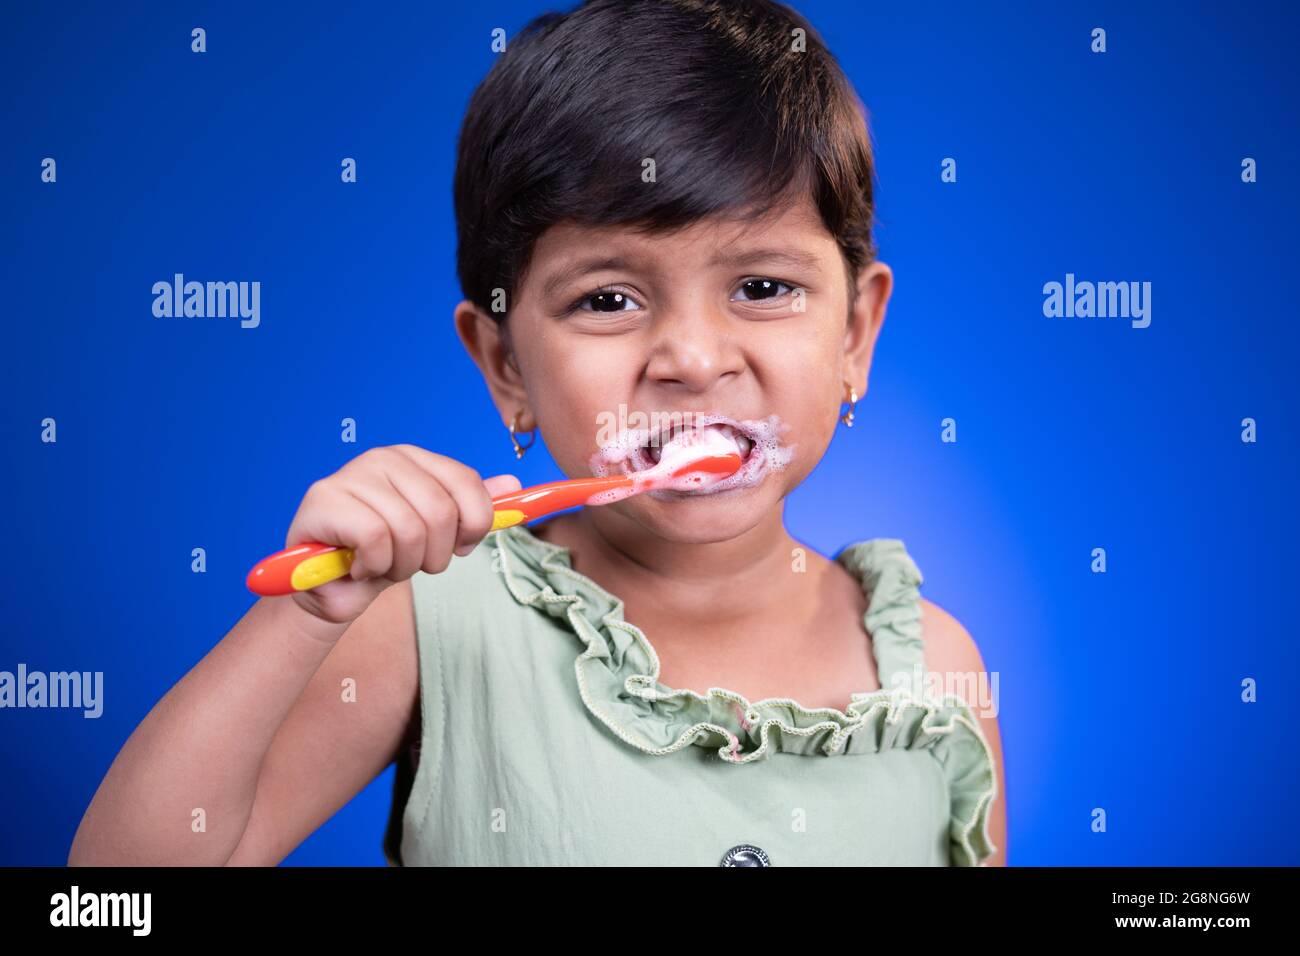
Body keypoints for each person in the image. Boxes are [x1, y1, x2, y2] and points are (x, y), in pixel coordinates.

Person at [69, 0, 1006, 867]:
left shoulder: (934, 667)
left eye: (763, 288)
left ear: (853, 336)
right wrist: (303, 616)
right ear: (505, 364)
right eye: (608, 299)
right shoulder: (431, 611)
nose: (690, 356)